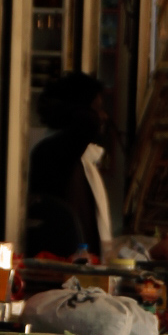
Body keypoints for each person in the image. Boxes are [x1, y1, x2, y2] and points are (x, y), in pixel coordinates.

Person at [25, 72, 113, 259]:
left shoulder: (80, 158)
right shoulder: (54, 152)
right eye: (97, 109)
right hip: (59, 262)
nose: (103, 116)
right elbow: (88, 123)